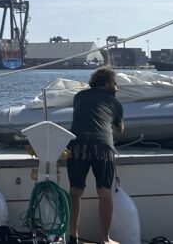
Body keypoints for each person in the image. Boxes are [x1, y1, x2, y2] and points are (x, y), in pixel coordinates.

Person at [66, 66, 125, 244]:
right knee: (104, 192)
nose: (117, 88)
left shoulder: (79, 97)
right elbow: (119, 129)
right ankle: (105, 239)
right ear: (107, 84)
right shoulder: (115, 103)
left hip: (78, 146)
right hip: (102, 148)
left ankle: (72, 236)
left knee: (75, 191)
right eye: (115, 84)